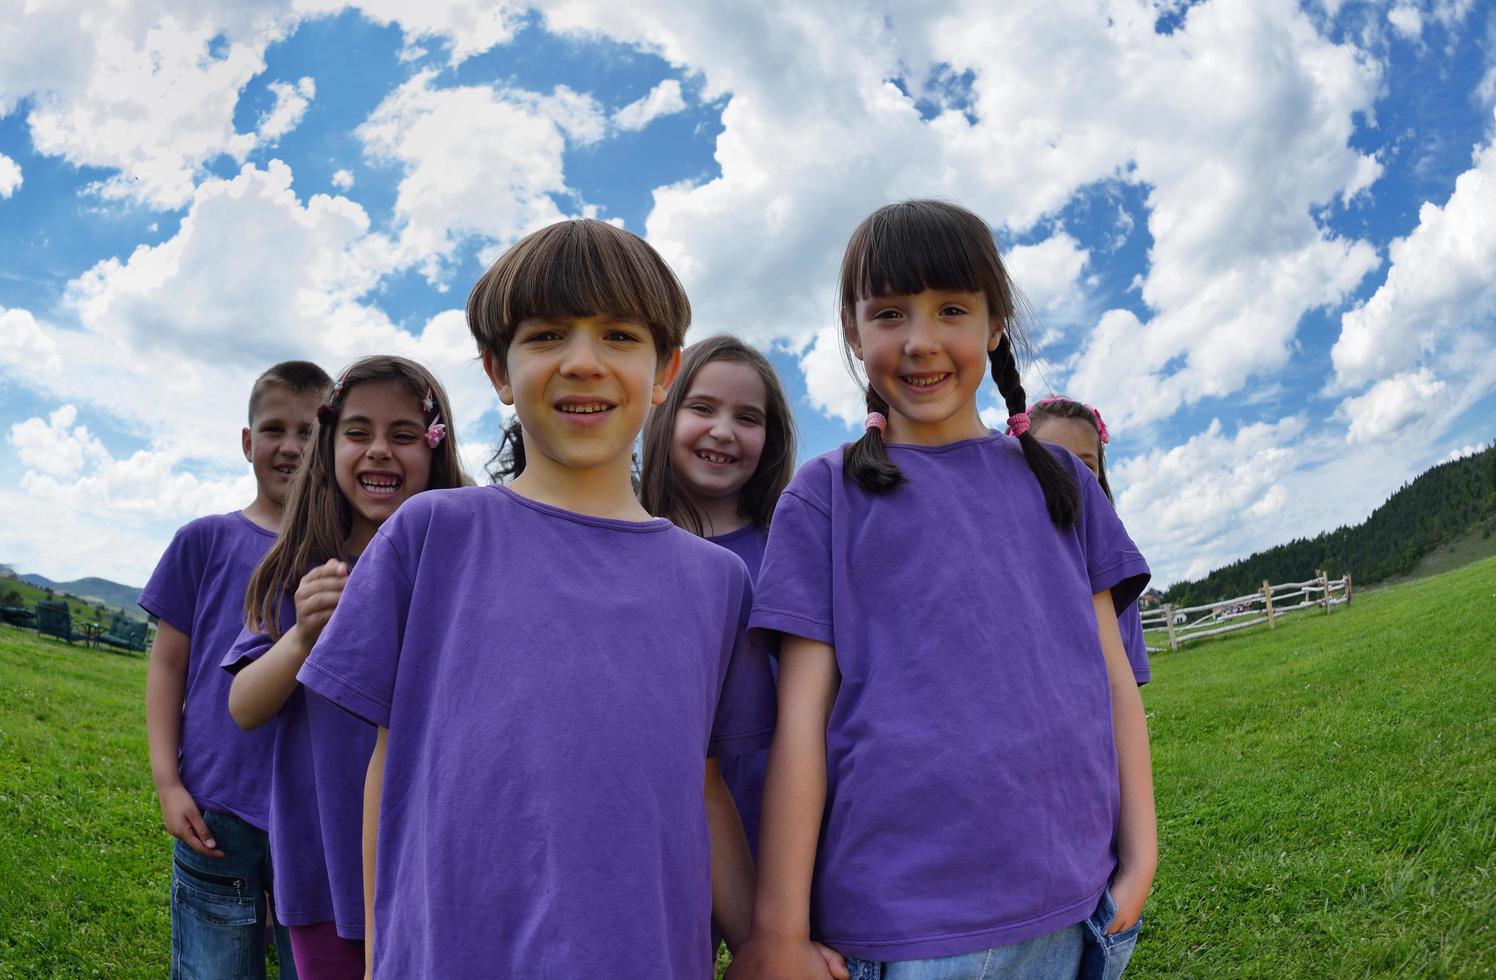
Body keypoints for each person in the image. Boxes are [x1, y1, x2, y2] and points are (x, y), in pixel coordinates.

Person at [296, 219, 780, 978]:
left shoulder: (719, 585)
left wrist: (761, 942)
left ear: (664, 371)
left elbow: (707, 788)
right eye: (549, 334)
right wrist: (378, 959)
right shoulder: (431, 536)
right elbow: (389, 767)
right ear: (497, 369)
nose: (583, 363)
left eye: (619, 335)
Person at [729, 200, 1156, 980]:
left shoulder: (1060, 481)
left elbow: (1114, 679)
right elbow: (800, 725)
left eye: (951, 310)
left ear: (995, 324)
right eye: (890, 313)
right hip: (903, 927)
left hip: (1076, 905)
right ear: (854, 335)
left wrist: (1143, 853)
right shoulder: (824, 499)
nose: (921, 342)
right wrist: (780, 930)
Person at [221, 357, 465, 979]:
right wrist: (303, 635)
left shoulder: (463, 568)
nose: (379, 451)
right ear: (330, 446)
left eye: (404, 435)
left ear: (435, 449)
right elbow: (244, 706)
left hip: (438, 868)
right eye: (358, 432)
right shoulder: (298, 567)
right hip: (322, 870)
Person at [140, 360, 331, 979]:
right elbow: (169, 666)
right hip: (216, 809)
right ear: (248, 442)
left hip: (315, 818)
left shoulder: (342, 554)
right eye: (274, 429)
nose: (292, 447)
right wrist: (169, 783)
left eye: (310, 431)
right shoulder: (204, 540)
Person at [637, 334, 808, 961]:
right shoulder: (620, 543)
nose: (723, 431)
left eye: (748, 417)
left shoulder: (795, 553)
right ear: (664, 411)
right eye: (702, 408)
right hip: (657, 835)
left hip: (781, 829)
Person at [1028, 396, 1151, 686]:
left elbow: (1127, 686)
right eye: (1051, 460)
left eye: (1085, 466)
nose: (1069, 477)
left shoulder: (1117, 573)